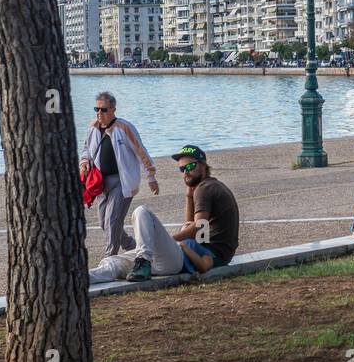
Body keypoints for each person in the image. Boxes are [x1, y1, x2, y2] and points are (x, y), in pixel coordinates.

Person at [104, 144, 239, 283]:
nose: (186, 172)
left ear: (203, 166)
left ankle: (140, 262)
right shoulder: (211, 185)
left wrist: (172, 240)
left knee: (141, 211)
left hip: (210, 255)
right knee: (117, 261)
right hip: (216, 253)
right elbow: (192, 227)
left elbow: (200, 227)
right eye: (182, 169)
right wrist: (189, 197)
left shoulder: (204, 189)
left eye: (190, 167)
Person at [79, 91, 157, 258]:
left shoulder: (124, 127)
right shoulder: (93, 128)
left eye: (103, 110)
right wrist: (84, 163)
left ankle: (110, 258)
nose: (99, 113)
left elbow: (141, 152)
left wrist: (151, 176)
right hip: (100, 182)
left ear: (113, 109)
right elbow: (86, 149)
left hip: (122, 181)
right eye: (97, 109)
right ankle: (132, 246)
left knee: (112, 221)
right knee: (103, 222)